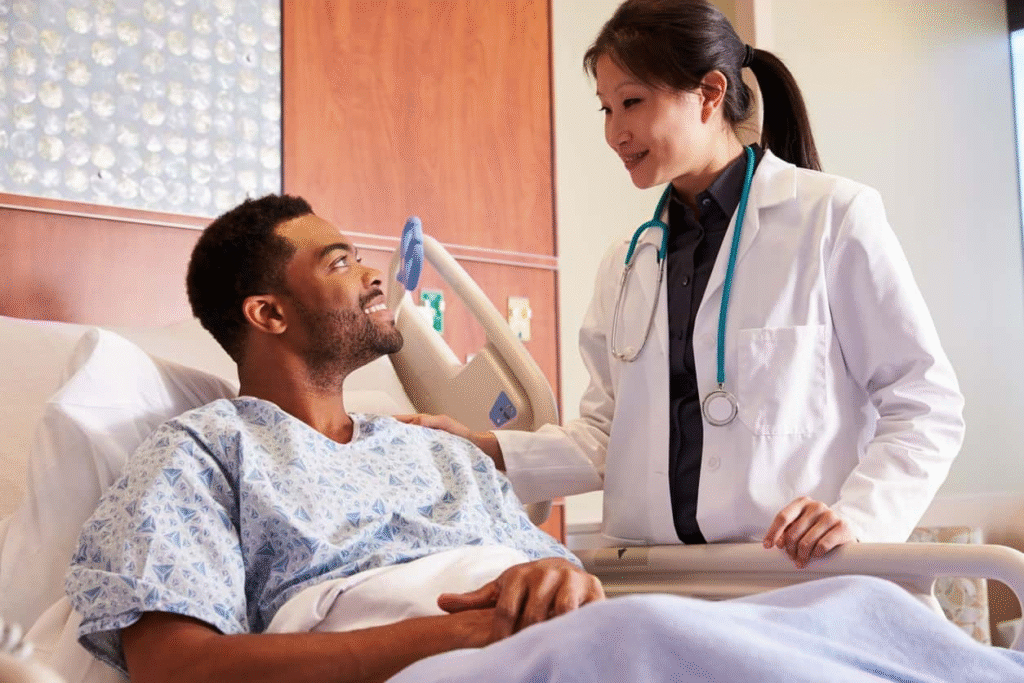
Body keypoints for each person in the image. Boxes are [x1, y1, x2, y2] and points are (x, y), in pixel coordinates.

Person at [405, 0, 965, 568]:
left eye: (631, 102)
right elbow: (606, 437)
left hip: (792, 576)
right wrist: (484, 451)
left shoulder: (832, 219)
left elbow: (925, 405)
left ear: (710, 93)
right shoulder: (626, 264)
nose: (615, 132)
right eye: (605, 109)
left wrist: (861, 519)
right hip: (661, 577)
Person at [64, 194, 604, 683]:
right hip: (455, 659)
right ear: (269, 313)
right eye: (340, 262)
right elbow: (177, 668)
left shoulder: (439, 450)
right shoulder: (204, 455)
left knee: (662, 627)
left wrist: (561, 579)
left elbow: (562, 583)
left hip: (556, 650)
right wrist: (464, 635)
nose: (372, 275)